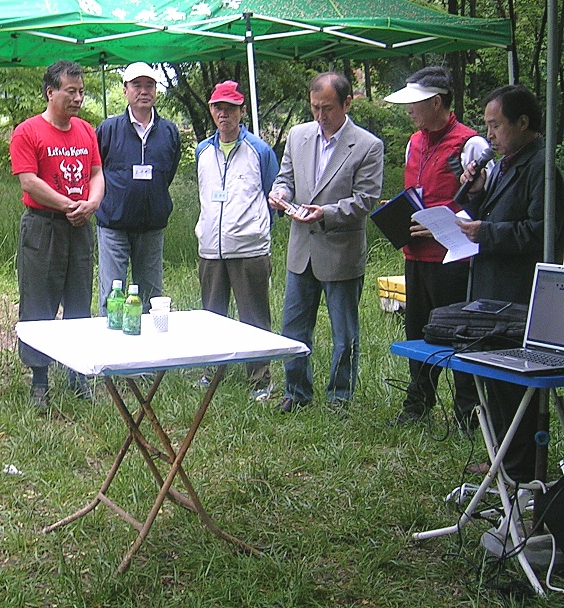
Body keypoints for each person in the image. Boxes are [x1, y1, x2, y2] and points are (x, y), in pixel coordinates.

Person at [458, 84, 564, 481]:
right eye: (486, 126)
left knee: (516, 385)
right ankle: (501, 457)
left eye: (496, 125)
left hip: (519, 294)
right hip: (491, 289)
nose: (490, 135)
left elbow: (542, 232)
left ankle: (519, 468)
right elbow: (489, 215)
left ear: (523, 122)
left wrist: (487, 233)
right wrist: (476, 193)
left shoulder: (542, 168)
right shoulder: (505, 164)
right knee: (496, 381)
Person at [268, 72, 384, 411]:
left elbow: (365, 199)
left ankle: (339, 397)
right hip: (301, 249)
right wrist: (280, 193)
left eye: (328, 108)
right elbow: (285, 177)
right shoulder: (298, 135)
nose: (320, 115)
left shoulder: (367, 145)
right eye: (315, 107)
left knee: (344, 333)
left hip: (340, 250)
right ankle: (296, 392)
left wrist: (326, 213)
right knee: (293, 327)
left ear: (347, 104)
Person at [384, 67, 488, 430]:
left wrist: (444, 225)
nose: (409, 110)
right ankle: (418, 403)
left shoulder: (470, 144)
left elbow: (484, 206)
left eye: (415, 104)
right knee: (417, 332)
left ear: (437, 102)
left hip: (452, 259)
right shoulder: (414, 142)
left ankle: (467, 413)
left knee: (457, 333)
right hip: (415, 256)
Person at [10, 60, 104, 407]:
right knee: (39, 301)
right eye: (70, 91)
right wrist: (68, 205)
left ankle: (77, 375)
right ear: (50, 92)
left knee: (79, 300)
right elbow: (28, 181)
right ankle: (39, 380)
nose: (78, 98)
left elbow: (96, 173)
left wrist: (92, 203)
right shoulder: (28, 132)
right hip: (44, 226)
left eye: (81, 92)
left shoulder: (86, 131)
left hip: (79, 226)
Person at [195, 81, 279, 399]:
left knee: (254, 317)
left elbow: (273, 196)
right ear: (211, 110)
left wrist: (256, 228)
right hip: (210, 248)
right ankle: (212, 372)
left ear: (242, 111)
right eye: (218, 107)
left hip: (249, 248)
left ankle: (259, 379)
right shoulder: (203, 151)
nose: (224, 114)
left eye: (230, 108)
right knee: (211, 316)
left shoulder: (259, 150)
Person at [95, 62, 180, 313]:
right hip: (113, 224)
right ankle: (111, 338)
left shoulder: (169, 131)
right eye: (137, 85)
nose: (144, 91)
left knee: (151, 295)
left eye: (150, 85)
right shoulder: (109, 129)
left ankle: (149, 339)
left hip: (151, 225)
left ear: (156, 91)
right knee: (112, 295)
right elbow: (96, 171)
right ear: (125, 91)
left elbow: (168, 173)